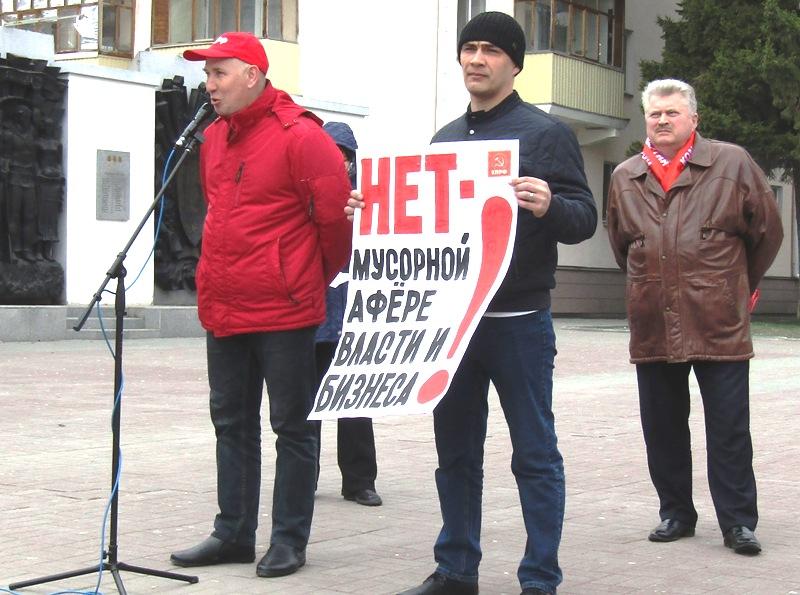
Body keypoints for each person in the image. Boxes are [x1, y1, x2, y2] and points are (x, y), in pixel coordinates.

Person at [346, 12, 596, 595]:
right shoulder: (446, 139)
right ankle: (456, 569)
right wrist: (371, 212)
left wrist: (550, 205)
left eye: (491, 50)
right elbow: (425, 229)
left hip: (519, 322)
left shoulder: (546, 134)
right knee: (455, 454)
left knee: (534, 453)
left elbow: (585, 219)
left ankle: (540, 577)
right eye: (470, 48)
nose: (476, 59)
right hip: (452, 322)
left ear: (515, 64)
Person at [169, 32, 352, 578]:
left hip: (284, 309)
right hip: (225, 306)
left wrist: (304, 277)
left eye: (219, 73)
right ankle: (232, 533)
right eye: (207, 75)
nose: (210, 85)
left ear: (252, 75)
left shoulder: (302, 136)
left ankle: (289, 540)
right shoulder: (213, 139)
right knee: (230, 422)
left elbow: (334, 224)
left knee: (292, 427)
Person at [606, 79, 783, 556]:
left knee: (729, 428)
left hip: (717, 318)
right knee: (662, 425)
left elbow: (767, 231)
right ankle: (676, 513)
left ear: (694, 119)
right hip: (653, 319)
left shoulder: (732, 162)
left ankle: (738, 522)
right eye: (655, 114)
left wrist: (737, 284)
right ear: (645, 120)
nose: (662, 120)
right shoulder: (624, 176)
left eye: (673, 113)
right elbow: (622, 245)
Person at [314, 121, 382, 507]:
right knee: (305, 404)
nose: (339, 161)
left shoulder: (371, 198)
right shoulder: (306, 190)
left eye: (344, 155)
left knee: (356, 400)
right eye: (332, 153)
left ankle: (359, 481)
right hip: (313, 316)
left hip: (356, 317)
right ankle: (302, 476)